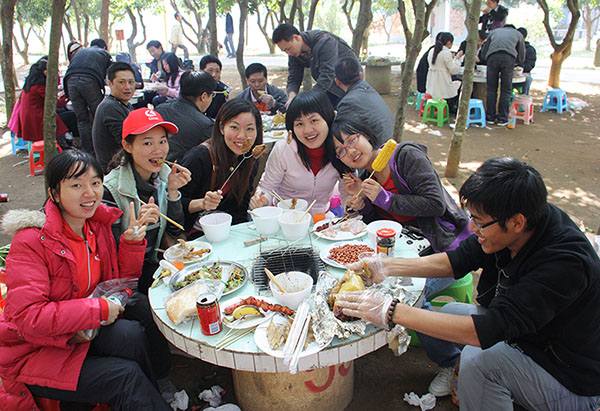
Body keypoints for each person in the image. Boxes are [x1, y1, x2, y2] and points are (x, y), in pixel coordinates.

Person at [336, 157, 600, 409]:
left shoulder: (564, 264)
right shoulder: (520, 221)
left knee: (479, 363)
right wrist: (387, 266)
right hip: (529, 339)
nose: (472, 229)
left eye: (480, 223)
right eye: (472, 217)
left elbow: (489, 329)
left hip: (570, 378)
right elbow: (457, 260)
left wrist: (391, 310)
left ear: (517, 222)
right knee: (452, 313)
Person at [0, 149, 172, 409]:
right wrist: (98, 309)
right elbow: (28, 318)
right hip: (37, 350)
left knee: (133, 332)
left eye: (95, 183)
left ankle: (160, 392)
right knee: (125, 376)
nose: (89, 193)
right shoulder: (32, 241)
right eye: (76, 185)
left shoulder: (95, 226)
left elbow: (119, 283)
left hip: (80, 330)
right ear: (54, 193)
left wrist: (131, 243)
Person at [330, 118, 471, 289]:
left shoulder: (406, 156)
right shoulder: (366, 177)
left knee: (405, 293)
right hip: (406, 250)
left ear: (366, 135)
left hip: (445, 250)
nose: (350, 151)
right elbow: (380, 226)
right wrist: (363, 204)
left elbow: (436, 204)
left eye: (352, 140)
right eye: (341, 151)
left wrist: (385, 198)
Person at [103, 108, 191, 294]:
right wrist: (135, 232)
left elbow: (175, 231)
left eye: (162, 141)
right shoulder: (110, 191)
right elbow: (108, 256)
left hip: (154, 265)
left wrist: (172, 192)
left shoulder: (164, 177)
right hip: (124, 280)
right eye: (148, 143)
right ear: (127, 146)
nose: (158, 150)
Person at [249, 91, 348, 214]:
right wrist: (261, 199)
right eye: (299, 124)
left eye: (314, 120)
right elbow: (267, 187)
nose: (307, 130)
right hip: (285, 215)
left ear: (328, 119)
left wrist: (351, 204)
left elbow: (347, 192)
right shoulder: (283, 149)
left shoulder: (340, 150)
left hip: (320, 217)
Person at [179, 99, 263, 237]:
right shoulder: (200, 157)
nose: (242, 136)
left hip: (228, 231)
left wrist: (240, 235)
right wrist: (202, 203)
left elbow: (241, 205)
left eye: (249, 129)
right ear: (222, 128)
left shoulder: (250, 158)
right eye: (234, 127)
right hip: (196, 234)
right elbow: (175, 203)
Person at [272, 23, 359, 107]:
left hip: (348, 84)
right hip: (329, 88)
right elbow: (294, 77)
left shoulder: (325, 41)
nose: (288, 53)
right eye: (285, 51)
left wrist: (310, 99)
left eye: (288, 49)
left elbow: (327, 74)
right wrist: (292, 96)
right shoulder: (294, 53)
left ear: (296, 38)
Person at [64, 38, 112, 154]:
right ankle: (103, 148)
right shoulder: (104, 53)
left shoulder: (79, 52)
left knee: (82, 119)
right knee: (99, 115)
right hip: (89, 81)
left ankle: (87, 151)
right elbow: (113, 73)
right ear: (104, 47)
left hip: (70, 82)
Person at [156, 70, 216, 163]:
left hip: (155, 165)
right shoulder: (206, 125)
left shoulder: (160, 109)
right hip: (182, 170)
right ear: (203, 96)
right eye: (212, 95)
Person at [335, 57, 393, 145]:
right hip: (391, 141)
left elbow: (342, 135)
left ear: (337, 81)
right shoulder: (369, 90)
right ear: (361, 75)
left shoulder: (347, 104)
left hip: (379, 149)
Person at [15, 57, 70, 145]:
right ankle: (63, 145)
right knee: (62, 121)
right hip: (36, 118)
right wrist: (67, 95)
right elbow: (57, 104)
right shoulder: (39, 86)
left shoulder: (31, 83)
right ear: (45, 72)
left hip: (28, 117)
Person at [92, 62, 135, 173]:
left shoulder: (125, 105)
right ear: (110, 83)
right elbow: (128, 143)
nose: (127, 87)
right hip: (113, 170)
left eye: (131, 82)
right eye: (122, 82)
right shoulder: (110, 107)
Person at [480, 24, 524, 126]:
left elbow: (484, 51)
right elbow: (521, 53)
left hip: (492, 57)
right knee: (506, 90)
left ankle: (490, 117)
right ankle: (502, 118)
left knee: (491, 89)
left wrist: (487, 59)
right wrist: (517, 62)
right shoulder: (518, 34)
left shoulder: (494, 32)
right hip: (508, 58)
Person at [426, 32, 464, 114]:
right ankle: (453, 108)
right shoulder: (446, 52)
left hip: (431, 84)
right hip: (442, 84)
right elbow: (454, 70)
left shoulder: (432, 51)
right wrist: (458, 59)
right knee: (460, 83)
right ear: (449, 42)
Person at [200, 55, 231, 119]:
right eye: (210, 70)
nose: (214, 75)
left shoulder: (223, 91)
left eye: (217, 71)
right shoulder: (194, 88)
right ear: (201, 71)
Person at [517, 27, 537, 95]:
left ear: (524, 38)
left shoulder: (530, 50)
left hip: (523, 74)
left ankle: (524, 98)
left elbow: (530, 65)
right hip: (508, 74)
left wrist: (519, 67)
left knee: (528, 79)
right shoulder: (511, 47)